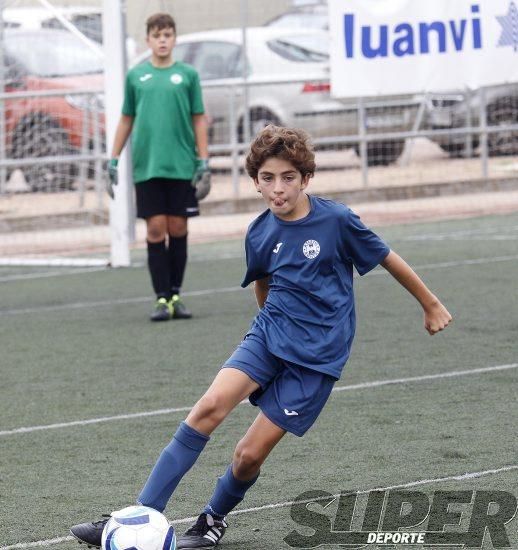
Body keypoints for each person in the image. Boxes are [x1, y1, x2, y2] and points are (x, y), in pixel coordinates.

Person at [70, 125, 452, 548]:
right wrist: (267, 332)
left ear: (306, 178)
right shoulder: (259, 231)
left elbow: (387, 258)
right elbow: (263, 283)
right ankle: (139, 516)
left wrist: (430, 304)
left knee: (247, 455)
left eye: (288, 177)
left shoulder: (337, 221)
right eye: (267, 178)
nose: (278, 188)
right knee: (207, 408)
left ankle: (213, 519)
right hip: (268, 337)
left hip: (316, 359)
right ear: (255, 181)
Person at [108, 13, 210, 322]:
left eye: (168, 34)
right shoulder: (136, 76)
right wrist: (112, 159)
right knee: (155, 228)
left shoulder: (188, 75)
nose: (163, 40)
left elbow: (198, 118)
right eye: (157, 35)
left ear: (174, 38)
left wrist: (203, 161)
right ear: (148, 40)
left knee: (178, 227)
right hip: (147, 166)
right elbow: (127, 118)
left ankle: (176, 293)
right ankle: (161, 299)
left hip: (181, 164)